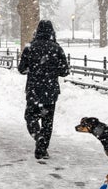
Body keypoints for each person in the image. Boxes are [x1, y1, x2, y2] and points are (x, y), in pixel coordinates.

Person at [17, 20, 69, 160]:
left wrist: (34, 69)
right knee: (47, 121)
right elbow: (64, 71)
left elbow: (22, 69)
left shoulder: (30, 48)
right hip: (50, 91)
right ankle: (42, 150)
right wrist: (52, 70)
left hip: (34, 89)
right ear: (52, 32)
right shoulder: (57, 48)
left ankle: (37, 135)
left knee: (30, 117)